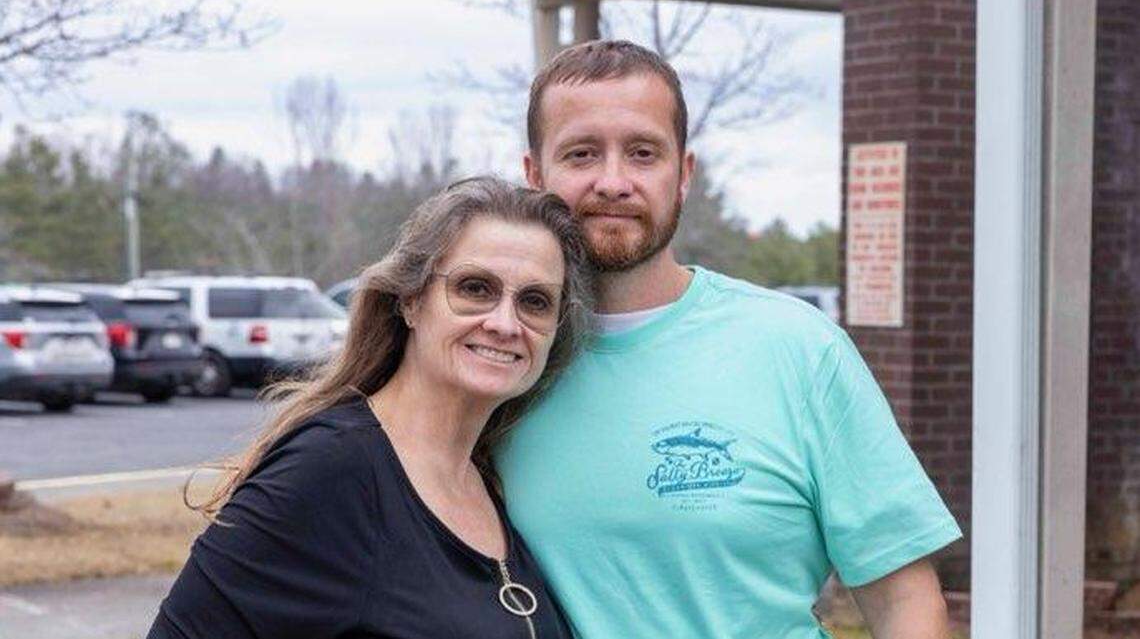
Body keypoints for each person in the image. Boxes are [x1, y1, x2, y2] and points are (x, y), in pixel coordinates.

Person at [493, 40, 963, 638]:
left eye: (643, 153)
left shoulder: (799, 350)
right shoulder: (503, 364)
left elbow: (906, 604)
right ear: (534, 174)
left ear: (683, 173)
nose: (613, 181)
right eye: (582, 154)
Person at [148, 177, 592, 639]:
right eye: (475, 288)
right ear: (411, 301)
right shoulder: (331, 468)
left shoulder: (490, 477)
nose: (504, 323)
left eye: (535, 301)